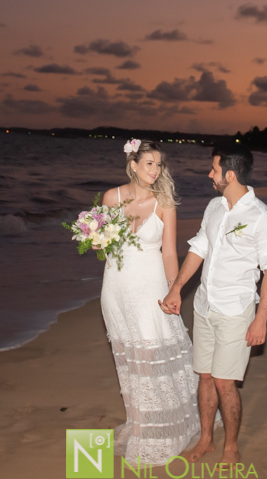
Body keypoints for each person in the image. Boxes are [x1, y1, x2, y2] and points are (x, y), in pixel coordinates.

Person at [159, 141, 267, 466]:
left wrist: (261, 319)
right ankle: (206, 439)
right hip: (204, 306)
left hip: (235, 310)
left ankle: (231, 446)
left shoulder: (261, 217)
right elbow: (199, 247)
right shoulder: (214, 207)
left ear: (229, 174)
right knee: (205, 376)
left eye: (213, 169)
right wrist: (177, 289)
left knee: (225, 382)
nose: (209, 174)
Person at [99, 139, 201, 465]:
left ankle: (164, 429)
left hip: (150, 285)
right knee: (129, 356)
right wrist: (94, 234)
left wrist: (175, 291)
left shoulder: (164, 202)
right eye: (149, 164)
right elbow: (103, 248)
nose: (155, 170)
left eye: (159, 164)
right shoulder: (110, 198)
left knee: (151, 350)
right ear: (133, 165)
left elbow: (169, 252)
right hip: (115, 286)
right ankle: (140, 422)